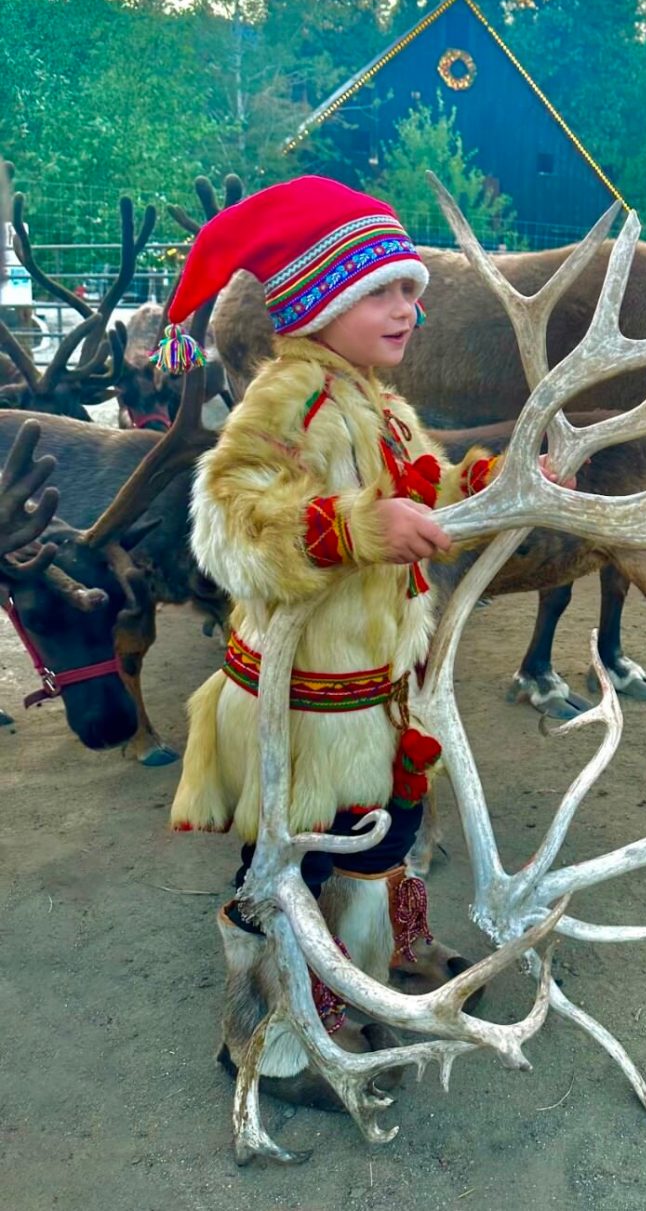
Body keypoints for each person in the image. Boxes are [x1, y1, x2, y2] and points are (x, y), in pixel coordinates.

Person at [165, 176, 528, 1089]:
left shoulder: (378, 401)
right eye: (382, 291)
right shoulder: (288, 397)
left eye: (412, 289)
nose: (409, 308)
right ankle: (270, 1030)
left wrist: (509, 474)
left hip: (376, 689)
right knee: (286, 860)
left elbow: (428, 484)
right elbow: (227, 516)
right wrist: (355, 527)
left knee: (384, 832)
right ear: (321, 300)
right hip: (302, 706)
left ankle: (366, 972)